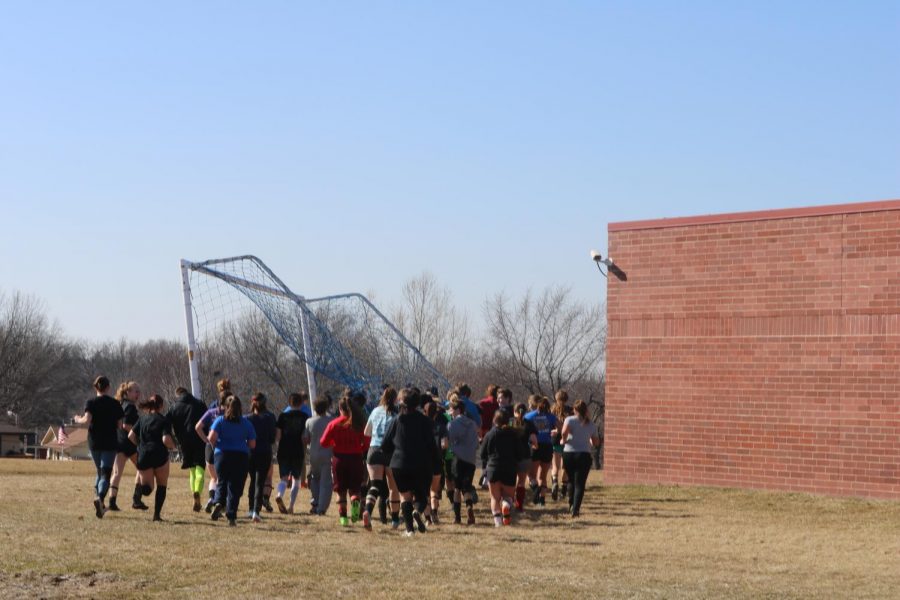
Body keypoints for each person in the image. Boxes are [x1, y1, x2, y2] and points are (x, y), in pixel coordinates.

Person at [381, 388, 437, 536]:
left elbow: (385, 444)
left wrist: (391, 454)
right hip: (421, 463)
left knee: (404, 496)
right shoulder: (425, 421)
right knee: (421, 495)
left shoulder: (396, 420)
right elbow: (432, 445)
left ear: (401, 403)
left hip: (399, 463)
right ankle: (418, 511)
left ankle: (409, 530)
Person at [74, 376, 124, 518]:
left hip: (94, 441)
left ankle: (99, 501)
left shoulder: (91, 402)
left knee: (99, 471)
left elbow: (87, 420)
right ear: (108, 387)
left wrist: (77, 418)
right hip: (109, 441)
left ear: (96, 387)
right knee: (105, 473)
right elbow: (120, 425)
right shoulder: (115, 403)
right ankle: (100, 498)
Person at [319, 390, 370, 527]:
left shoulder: (334, 424)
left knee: (340, 490)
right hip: (356, 459)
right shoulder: (359, 424)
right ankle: (354, 510)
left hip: (339, 459)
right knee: (355, 489)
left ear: (340, 409)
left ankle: (343, 518)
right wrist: (359, 447)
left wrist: (334, 443)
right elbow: (366, 443)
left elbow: (323, 442)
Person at [207, 395, 257, 526]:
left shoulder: (220, 421)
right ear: (240, 407)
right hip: (240, 456)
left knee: (222, 481)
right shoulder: (246, 423)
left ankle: (218, 502)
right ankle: (231, 516)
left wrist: (216, 446)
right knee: (235, 486)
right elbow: (252, 444)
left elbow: (211, 438)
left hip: (222, 455)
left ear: (226, 407)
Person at [128, 394, 176, 521]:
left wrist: (140, 444)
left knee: (148, 490)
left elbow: (130, 436)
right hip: (159, 455)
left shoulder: (142, 419)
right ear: (161, 406)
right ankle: (156, 515)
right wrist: (173, 446)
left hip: (144, 455)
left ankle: (141, 492)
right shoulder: (164, 420)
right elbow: (166, 439)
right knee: (162, 485)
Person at [165, 386, 208, 511]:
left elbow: (167, 422)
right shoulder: (199, 404)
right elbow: (207, 420)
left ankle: (194, 493)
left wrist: (172, 438)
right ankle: (197, 492)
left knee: (192, 469)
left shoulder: (174, 407)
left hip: (184, 441)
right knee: (200, 468)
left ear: (177, 395)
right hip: (199, 439)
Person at [362, 386, 399, 529]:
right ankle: (395, 520)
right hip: (390, 451)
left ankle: (368, 511)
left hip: (374, 450)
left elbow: (366, 432)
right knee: (393, 487)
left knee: (375, 485)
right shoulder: (396, 414)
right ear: (395, 399)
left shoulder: (375, 411)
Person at [480, 411, 524, 527]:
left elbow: (482, 454)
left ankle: (498, 522)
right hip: (509, 468)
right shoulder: (514, 434)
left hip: (493, 468)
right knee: (508, 497)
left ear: (495, 420)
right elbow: (520, 453)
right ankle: (506, 505)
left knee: (494, 497)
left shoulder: (490, 434)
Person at [561, 400, 600, 517]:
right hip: (583, 454)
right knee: (580, 483)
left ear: (575, 409)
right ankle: (576, 510)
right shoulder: (591, 424)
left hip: (568, 453)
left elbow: (563, 432)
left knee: (571, 480)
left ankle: (571, 504)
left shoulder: (569, 420)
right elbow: (596, 442)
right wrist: (590, 440)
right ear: (585, 410)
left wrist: (564, 439)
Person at [195, 380, 230, 511]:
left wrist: (206, 440)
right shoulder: (231, 412)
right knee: (224, 479)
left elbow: (198, 426)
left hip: (210, 448)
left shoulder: (212, 410)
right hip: (224, 447)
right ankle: (220, 503)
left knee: (214, 478)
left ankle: (211, 498)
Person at [108, 381, 140, 511]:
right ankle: (136, 499)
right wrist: (138, 434)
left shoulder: (120, 404)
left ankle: (112, 501)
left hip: (119, 442)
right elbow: (126, 425)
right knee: (142, 468)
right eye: (136, 391)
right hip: (129, 444)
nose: (138, 394)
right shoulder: (130, 406)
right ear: (127, 392)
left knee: (116, 473)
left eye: (139, 391)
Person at [275, 392, 309, 514]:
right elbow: (305, 437)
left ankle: (279, 494)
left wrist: (279, 447)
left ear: (289, 403)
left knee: (284, 478)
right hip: (297, 450)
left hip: (284, 449)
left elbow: (278, 436)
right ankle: (291, 506)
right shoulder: (305, 417)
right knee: (296, 479)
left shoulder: (282, 416)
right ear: (301, 403)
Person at [447, 397, 479, 525]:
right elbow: (476, 441)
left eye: (451, 409)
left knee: (457, 488)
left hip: (458, 458)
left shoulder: (452, 424)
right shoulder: (472, 424)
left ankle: (457, 517)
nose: (450, 412)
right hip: (471, 459)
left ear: (457, 410)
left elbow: (448, 440)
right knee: (467, 487)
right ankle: (469, 507)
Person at [247, 392, 277, 523]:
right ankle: (256, 511)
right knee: (260, 482)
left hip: (250, 453)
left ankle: (250, 508)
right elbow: (272, 438)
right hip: (265, 452)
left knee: (253, 481)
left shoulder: (247, 418)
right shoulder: (270, 417)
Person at [525, 395, 557, 506]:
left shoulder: (528, 416)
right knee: (543, 476)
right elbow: (561, 427)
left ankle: (535, 490)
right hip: (548, 446)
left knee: (531, 474)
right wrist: (554, 432)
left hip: (535, 446)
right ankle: (542, 500)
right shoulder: (551, 416)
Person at [305, 394, 335, 515]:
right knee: (325, 482)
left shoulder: (309, 421)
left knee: (314, 479)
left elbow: (305, 439)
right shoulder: (331, 421)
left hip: (313, 455)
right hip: (327, 454)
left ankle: (315, 502)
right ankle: (321, 507)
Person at [423, 395, 448, 524]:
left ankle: (427, 518)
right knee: (435, 489)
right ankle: (435, 513)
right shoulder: (441, 427)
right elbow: (444, 444)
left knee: (425, 490)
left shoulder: (421, 426)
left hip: (424, 461)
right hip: (437, 460)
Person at [511, 402, 537, 511]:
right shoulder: (529, 424)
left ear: (514, 411)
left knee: (510, 481)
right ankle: (519, 504)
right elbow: (534, 440)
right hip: (524, 454)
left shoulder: (510, 422)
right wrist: (534, 446)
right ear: (525, 412)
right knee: (521, 481)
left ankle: (509, 501)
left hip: (510, 455)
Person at [550, 389, 574, 501]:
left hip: (555, 439)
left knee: (555, 465)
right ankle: (564, 489)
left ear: (556, 398)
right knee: (565, 466)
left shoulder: (552, 409)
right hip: (567, 440)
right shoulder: (570, 410)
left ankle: (555, 481)